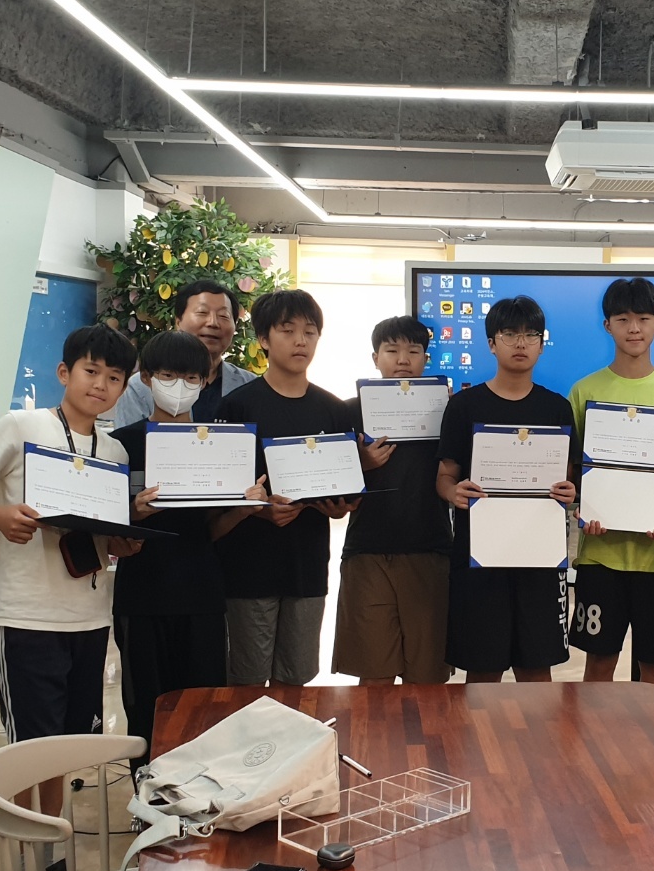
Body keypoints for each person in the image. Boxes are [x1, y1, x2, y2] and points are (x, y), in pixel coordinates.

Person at [0, 325, 142, 751]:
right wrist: (0, 516)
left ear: (124, 388)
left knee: (72, 743)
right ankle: (31, 801)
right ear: (64, 373)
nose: (101, 384)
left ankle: (58, 801)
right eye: (91, 371)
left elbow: (102, 534)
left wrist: (121, 545)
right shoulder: (20, 426)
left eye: (114, 377)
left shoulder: (115, 452)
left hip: (91, 618)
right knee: (32, 748)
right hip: (27, 617)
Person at [110, 330, 267, 754]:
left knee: (204, 706)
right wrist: (134, 512)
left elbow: (209, 530)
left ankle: (198, 788)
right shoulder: (122, 445)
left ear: (205, 380)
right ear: (146, 378)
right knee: (146, 706)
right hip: (142, 597)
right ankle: (148, 789)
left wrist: (243, 508)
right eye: (168, 376)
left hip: (202, 593)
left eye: (191, 378)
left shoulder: (219, 445)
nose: (179, 386)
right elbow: (104, 527)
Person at [215, 289, 356, 686]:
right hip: (249, 565)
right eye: (288, 330)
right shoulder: (237, 407)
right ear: (263, 338)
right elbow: (222, 491)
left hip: (306, 564)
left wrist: (339, 506)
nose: (300, 341)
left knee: (297, 680)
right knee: (247, 679)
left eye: (310, 332)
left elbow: (342, 485)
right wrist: (262, 511)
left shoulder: (333, 409)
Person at [436, 296, 576, 683]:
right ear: (491, 343)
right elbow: (445, 476)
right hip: (481, 555)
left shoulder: (557, 408)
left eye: (531, 335)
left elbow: (567, 481)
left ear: (541, 344)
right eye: (510, 334)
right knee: (483, 670)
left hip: (540, 556)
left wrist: (569, 493)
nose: (521, 343)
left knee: (537, 668)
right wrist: (453, 493)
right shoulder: (464, 406)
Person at [569, 277, 654, 687]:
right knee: (598, 665)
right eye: (622, 319)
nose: (634, 328)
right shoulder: (584, 391)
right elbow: (575, 470)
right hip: (600, 555)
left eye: (643, 318)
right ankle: (591, 733)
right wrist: (583, 508)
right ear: (607, 325)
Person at [333, 316, 452, 685]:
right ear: (375, 358)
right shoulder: (348, 412)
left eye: (413, 351)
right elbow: (331, 484)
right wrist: (361, 464)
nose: (403, 360)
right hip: (367, 552)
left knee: (427, 678)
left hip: (429, 549)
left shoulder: (446, 411)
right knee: (374, 677)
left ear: (425, 359)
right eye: (392, 350)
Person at [109, 279, 255, 427]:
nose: (213, 323)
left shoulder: (250, 385)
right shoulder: (140, 386)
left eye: (223, 316)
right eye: (202, 312)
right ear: (178, 322)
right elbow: (128, 438)